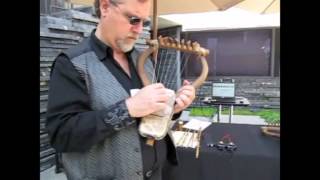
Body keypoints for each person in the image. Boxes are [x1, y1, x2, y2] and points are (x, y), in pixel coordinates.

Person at [46, 0, 195, 179]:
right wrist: (128, 108)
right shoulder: (72, 64)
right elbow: (62, 135)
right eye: (133, 19)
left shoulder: (145, 60)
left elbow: (150, 115)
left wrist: (172, 108)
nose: (139, 30)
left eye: (144, 22)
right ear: (105, 7)